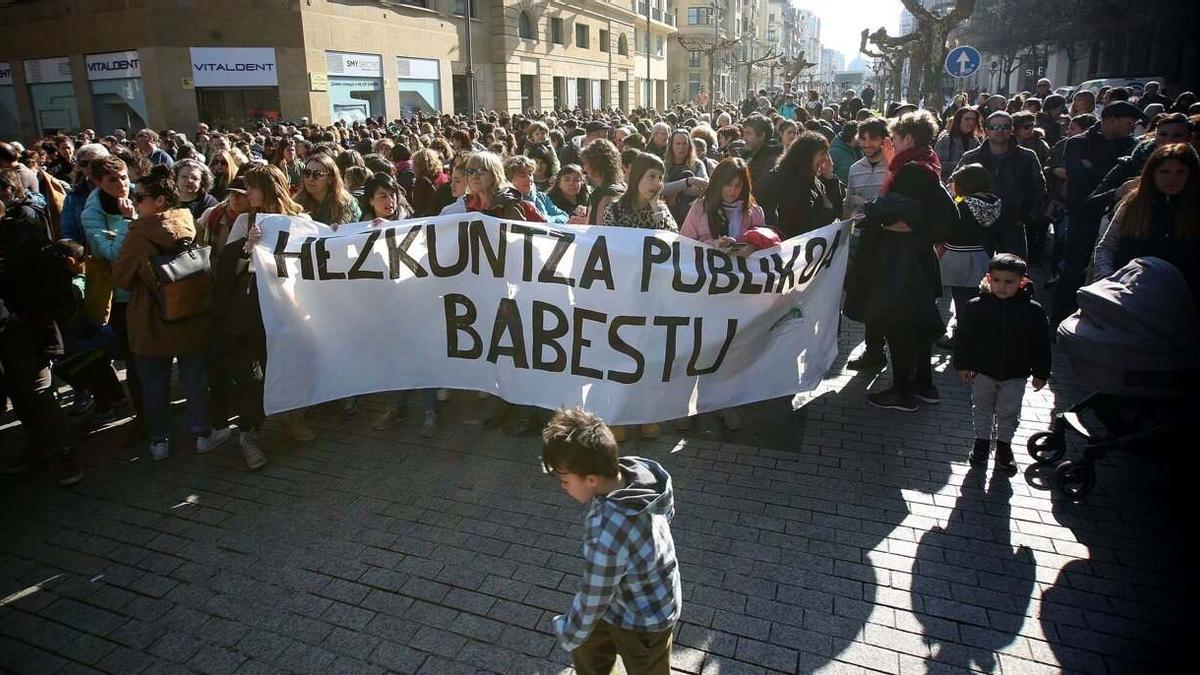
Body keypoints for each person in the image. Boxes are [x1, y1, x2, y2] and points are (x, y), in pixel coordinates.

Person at [542, 407, 681, 675]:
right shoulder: (638, 473)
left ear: (591, 479)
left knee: (642, 665)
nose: (563, 487)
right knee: (590, 647)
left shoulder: (608, 529)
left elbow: (595, 592)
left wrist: (568, 630)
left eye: (565, 481)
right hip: (642, 595)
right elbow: (668, 512)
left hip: (645, 619)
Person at [112, 166, 229, 461]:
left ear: (160, 201)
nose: (134, 201)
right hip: (190, 311)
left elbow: (122, 278)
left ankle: (159, 442)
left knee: (154, 384)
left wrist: (129, 227)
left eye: (139, 197)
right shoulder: (186, 219)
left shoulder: (139, 233)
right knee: (194, 377)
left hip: (151, 319)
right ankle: (203, 434)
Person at [855, 110, 957, 411]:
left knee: (899, 326)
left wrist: (877, 220)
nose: (892, 144)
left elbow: (905, 215)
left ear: (908, 138)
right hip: (917, 260)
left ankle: (902, 392)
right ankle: (924, 386)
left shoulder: (911, 171)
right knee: (919, 326)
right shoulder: (928, 163)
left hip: (903, 263)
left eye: (896, 138)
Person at [216, 164, 314, 468]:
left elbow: (316, 255)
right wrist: (248, 248)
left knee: (291, 363)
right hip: (252, 310)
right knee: (253, 372)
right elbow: (225, 271)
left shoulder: (300, 219)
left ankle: (291, 416)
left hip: (289, 306)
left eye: (254, 187)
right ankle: (249, 433)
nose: (248, 193)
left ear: (271, 187)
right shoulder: (245, 221)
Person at [0, 171, 85, 486]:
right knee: (18, 394)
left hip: (25, 328)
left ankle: (63, 454)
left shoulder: (24, 233)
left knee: (37, 393)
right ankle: (36, 447)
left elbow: (54, 281)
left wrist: (26, 314)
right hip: (10, 329)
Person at [953, 254, 1051, 474]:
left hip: (1015, 373)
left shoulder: (1032, 311)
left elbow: (1041, 344)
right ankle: (981, 443)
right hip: (983, 371)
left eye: (1009, 282)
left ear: (1022, 282)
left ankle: (1004, 446)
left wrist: (1041, 372)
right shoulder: (975, 306)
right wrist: (962, 364)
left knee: (1009, 411)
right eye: (997, 280)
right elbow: (964, 338)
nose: (1002, 286)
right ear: (989, 279)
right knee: (982, 408)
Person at [1051, 100, 1140, 325]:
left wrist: (1094, 168)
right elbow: (1077, 175)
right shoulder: (1078, 142)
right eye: (1127, 122)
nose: (1131, 127)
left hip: (1115, 216)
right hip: (1082, 214)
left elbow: (1127, 178)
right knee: (1073, 268)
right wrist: (1106, 174)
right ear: (1110, 119)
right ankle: (1059, 320)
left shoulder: (1131, 145)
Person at [1093, 143, 1200, 300]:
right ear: (1153, 174)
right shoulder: (1133, 205)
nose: (1172, 178)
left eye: (1180, 172)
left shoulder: (1194, 211)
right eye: (1164, 172)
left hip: (1180, 302)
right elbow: (1106, 248)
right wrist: (1108, 282)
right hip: (1127, 297)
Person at [957, 111, 1046, 259]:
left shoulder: (1027, 157)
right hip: (980, 225)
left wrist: (1028, 217)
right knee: (980, 273)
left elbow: (1039, 189)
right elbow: (956, 187)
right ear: (986, 130)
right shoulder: (971, 157)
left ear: (1011, 129)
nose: (1000, 131)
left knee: (1014, 270)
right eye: (995, 127)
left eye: (1005, 126)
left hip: (1013, 223)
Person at [938, 164, 1002, 348]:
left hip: (958, 256)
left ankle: (962, 337)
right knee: (976, 297)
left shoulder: (962, 205)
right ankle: (976, 334)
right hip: (981, 255)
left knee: (961, 301)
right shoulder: (994, 203)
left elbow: (948, 229)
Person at [758, 131, 844, 238]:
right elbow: (809, 223)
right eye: (822, 154)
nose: (826, 159)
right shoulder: (785, 181)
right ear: (807, 155)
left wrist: (829, 177)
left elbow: (839, 210)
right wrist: (828, 209)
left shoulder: (814, 179)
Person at [679, 156, 765, 246]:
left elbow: (761, 245)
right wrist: (712, 244)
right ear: (718, 183)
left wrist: (751, 248)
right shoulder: (700, 207)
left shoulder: (754, 212)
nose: (732, 191)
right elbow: (684, 243)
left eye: (738, 185)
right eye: (728, 185)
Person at [462, 151, 545, 222]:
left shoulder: (510, 202)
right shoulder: (468, 202)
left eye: (481, 170)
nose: (474, 176)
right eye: (470, 171)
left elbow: (518, 238)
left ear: (495, 174)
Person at [296, 152, 361, 228]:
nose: (310, 178)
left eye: (318, 174)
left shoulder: (347, 203)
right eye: (307, 173)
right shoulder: (296, 203)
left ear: (331, 179)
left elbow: (355, 231)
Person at [505, 155, 568, 223]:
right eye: (523, 176)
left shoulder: (541, 197)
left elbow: (564, 216)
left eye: (530, 174)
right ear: (510, 179)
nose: (529, 179)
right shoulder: (509, 201)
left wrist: (547, 219)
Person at [740, 115, 784, 203]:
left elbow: (758, 193)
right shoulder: (747, 156)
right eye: (744, 133)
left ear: (762, 135)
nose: (744, 138)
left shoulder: (771, 162)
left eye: (748, 133)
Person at [579, 140, 625, 226]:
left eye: (586, 164)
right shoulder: (621, 186)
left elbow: (599, 229)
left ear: (595, 165)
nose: (584, 169)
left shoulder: (607, 195)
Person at [934, 106, 982, 181]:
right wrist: (963, 165)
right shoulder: (946, 139)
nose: (971, 122)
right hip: (950, 183)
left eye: (973, 119)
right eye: (967, 119)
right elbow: (938, 164)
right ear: (959, 120)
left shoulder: (975, 141)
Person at [523, 121, 560, 191]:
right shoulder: (528, 148)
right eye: (537, 134)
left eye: (543, 134)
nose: (540, 136)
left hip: (546, 177)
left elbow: (555, 161)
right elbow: (524, 163)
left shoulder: (549, 148)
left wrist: (555, 174)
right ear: (531, 136)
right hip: (534, 178)